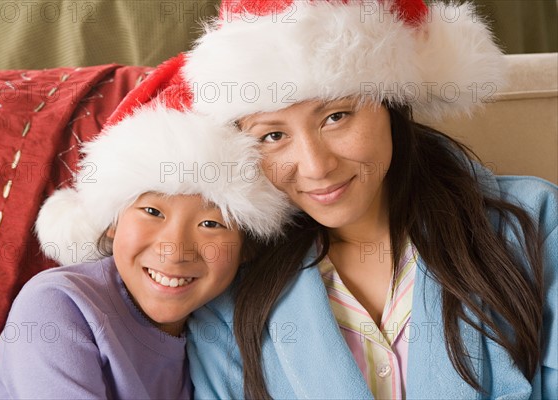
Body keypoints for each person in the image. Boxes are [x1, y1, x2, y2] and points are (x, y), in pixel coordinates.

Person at [175, 0, 555, 398]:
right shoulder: (230, 290)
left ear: (391, 104)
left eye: (336, 116)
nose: (316, 166)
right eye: (273, 136)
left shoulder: (536, 221)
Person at [0, 62, 294, 400]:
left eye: (211, 224)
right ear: (113, 221)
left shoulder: (217, 333)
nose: (174, 249)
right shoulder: (59, 304)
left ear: (247, 248)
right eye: (152, 211)